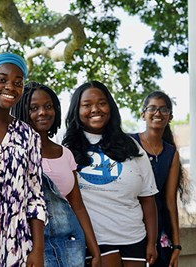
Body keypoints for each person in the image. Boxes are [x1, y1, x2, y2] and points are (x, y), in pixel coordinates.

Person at [62, 81, 158, 267]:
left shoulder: (132, 146)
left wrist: (152, 243)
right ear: (76, 109)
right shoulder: (66, 147)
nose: (95, 109)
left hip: (135, 238)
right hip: (94, 241)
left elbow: (148, 198)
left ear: (110, 107)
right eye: (87, 105)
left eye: (102, 103)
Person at [11, 81, 101, 267]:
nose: (43, 112)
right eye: (34, 108)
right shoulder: (14, 153)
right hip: (30, 246)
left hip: (70, 244)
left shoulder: (65, 153)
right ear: (21, 112)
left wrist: (94, 250)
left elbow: (78, 205)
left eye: (48, 106)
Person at [0, 53, 47, 266]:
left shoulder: (29, 136)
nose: (10, 87)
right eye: (1, 79)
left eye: (18, 83)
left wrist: (37, 249)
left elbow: (35, 196)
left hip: (18, 246)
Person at [132, 91, 188, 267]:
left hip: (159, 228)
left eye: (164, 109)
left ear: (170, 117)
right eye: (152, 108)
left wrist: (177, 245)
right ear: (143, 114)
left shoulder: (171, 153)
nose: (158, 113)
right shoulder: (129, 143)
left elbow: (170, 201)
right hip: (131, 221)